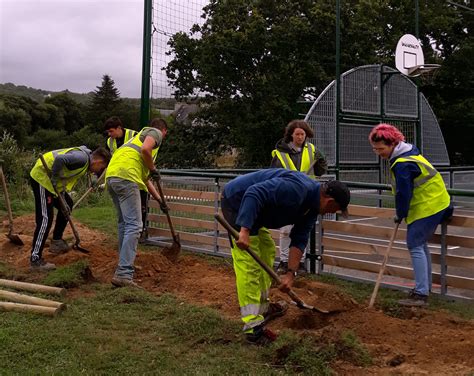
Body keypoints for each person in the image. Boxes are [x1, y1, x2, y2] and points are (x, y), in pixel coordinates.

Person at [221, 169, 350, 344]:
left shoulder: (312, 208)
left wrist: (290, 274)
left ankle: (263, 308)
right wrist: (244, 230)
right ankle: (253, 327)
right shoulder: (296, 190)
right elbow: (254, 193)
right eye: (335, 210)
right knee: (249, 265)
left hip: (256, 212)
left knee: (267, 252)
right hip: (237, 202)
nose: (332, 213)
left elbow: (299, 239)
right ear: (330, 201)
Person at [369, 123, 453, 307]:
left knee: (414, 244)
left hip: (430, 204)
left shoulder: (402, 164)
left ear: (392, 144)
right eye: (375, 149)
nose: (379, 153)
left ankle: (421, 294)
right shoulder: (408, 152)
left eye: (381, 149)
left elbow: (403, 193)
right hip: (434, 201)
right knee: (419, 245)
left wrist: (400, 213)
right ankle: (425, 288)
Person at [105, 118, 168, 288]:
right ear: (164, 131)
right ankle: (124, 273)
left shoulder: (134, 142)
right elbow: (146, 149)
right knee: (134, 226)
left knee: (125, 225)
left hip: (113, 177)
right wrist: (154, 169)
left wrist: (159, 200)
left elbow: (145, 180)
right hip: (126, 177)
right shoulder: (154, 132)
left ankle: (123, 265)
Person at [29, 146, 111, 271]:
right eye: (100, 169)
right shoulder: (81, 158)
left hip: (54, 184)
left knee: (67, 204)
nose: (98, 172)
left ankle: (56, 241)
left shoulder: (87, 159)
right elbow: (60, 160)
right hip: (43, 178)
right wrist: (55, 178)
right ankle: (35, 259)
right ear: (99, 162)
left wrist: (93, 180)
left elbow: (71, 172)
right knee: (46, 219)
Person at [270, 120, 328, 274]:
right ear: (291, 134)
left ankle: (299, 263)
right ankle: (283, 261)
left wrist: (322, 161)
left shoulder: (311, 150)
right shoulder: (280, 153)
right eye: (297, 134)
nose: (300, 137)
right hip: (287, 195)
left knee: (302, 230)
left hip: (307, 196)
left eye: (303, 134)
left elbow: (319, 172)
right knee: (286, 229)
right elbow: (273, 175)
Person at [103, 117, 150, 238]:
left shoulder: (134, 135)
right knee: (125, 210)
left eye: (111, 131)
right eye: (108, 132)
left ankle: (140, 231)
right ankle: (129, 233)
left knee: (141, 205)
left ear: (119, 128)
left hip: (136, 175)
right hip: (121, 176)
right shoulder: (110, 141)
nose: (110, 134)